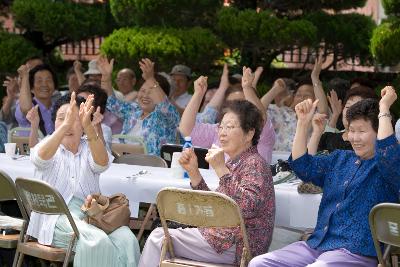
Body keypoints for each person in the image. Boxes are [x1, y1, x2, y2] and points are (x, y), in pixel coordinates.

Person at [249, 86, 400, 267]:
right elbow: (302, 166)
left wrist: (384, 109)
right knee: (259, 263)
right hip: (317, 245)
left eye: (361, 131)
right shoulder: (339, 158)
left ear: (378, 132)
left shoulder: (387, 166)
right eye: (351, 130)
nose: (354, 137)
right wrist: (303, 124)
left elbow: (388, 151)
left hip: (356, 251)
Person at [139, 98, 275, 266]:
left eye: (230, 127)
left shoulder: (254, 163)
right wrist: (194, 173)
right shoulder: (236, 162)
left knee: (159, 237)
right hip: (224, 239)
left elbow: (247, 207)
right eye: (221, 126)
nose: (222, 133)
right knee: (161, 235)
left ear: (249, 134)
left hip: (238, 244)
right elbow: (215, 206)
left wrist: (220, 169)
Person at [28, 92, 140, 267]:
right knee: (95, 240)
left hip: (92, 216)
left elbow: (102, 164)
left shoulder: (90, 146)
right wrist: (65, 125)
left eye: (75, 119)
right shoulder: (48, 144)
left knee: (127, 239)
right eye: (62, 118)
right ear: (55, 123)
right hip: (54, 218)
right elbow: (40, 159)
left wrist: (89, 127)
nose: (69, 124)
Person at [179, 67, 275, 163]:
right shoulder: (218, 130)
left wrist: (247, 88)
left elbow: (260, 118)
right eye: (231, 103)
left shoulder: (260, 132)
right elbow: (186, 130)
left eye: (241, 103)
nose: (236, 108)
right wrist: (198, 94)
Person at [100, 57, 180, 156]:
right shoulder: (133, 110)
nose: (145, 95)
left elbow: (164, 105)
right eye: (142, 91)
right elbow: (110, 102)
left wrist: (151, 79)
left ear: (163, 95)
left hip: (154, 168)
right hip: (123, 162)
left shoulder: (166, 116)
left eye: (151, 92)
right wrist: (105, 77)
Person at [261, 55, 329, 152]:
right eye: (298, 95)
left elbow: (323, 110)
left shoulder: (314, 116)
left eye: (306, 95)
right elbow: (259, 110)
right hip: (277, 160)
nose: (301, 98)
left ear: (315, 99)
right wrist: (275, 89)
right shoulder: (283, 112)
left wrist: (315, 78)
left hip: (302, 161)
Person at [308, 86, 378, 154]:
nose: (350, 111)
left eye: (357, 108)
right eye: (347, 106)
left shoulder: (369, 143)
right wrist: (316, 133)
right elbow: (306, 162)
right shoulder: (327, 138)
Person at [15, 64, 59, 136]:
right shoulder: (25, 105)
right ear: (31, 88)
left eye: (49, 80)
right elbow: (26, 109)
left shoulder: (59, 108)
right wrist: (25, 76)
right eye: (39, 81)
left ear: (54, 86)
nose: (44, 84)